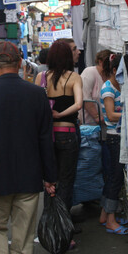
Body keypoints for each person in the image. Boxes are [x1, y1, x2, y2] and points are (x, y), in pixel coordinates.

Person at [0, 42, 57, 254]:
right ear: (20, 62)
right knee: (24, 234)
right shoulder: (37, 94)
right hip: (29, 176)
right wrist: (50, 176)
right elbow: (45, 138)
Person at [35, 40, 83, 216]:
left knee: (50, 181)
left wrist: (50, 115)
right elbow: (78, 105)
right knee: (66, 181)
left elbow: (36, 106)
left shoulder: (41, 78)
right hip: (67, 134)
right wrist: (61, 115)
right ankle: (63, 228)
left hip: (47, 137)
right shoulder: (74, 77)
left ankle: (50, 224)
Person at [98, 53, 128, 235]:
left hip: (118, 136)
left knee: (113, 177)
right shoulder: (108, 89)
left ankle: (105, 215)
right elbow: (110, 115)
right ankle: (110, 220)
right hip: (114, 137)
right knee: (115, 179)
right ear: (116, 71)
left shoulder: (120, 86)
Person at [79, 49, 112, 125]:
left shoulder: (110, 75)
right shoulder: (89, 72)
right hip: (89, 124)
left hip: (107, 123)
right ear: (100, 62)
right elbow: (86, 98)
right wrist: (98, 117)